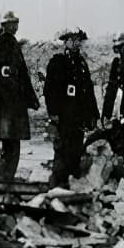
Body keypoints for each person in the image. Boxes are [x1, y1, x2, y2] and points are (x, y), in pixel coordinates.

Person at [0, 11, 40, 182]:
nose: (14, 28)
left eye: (15, 24)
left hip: (13, 107)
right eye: (10, 24)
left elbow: (22, 75)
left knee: (12, 145)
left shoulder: (14, 48)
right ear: (2, 26)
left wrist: (30, 99)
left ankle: (5, 181)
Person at [43, 28, 99, 186]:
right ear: (65, 42)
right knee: (62, 151)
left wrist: (93, 115)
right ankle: (57, 185)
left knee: (76, 150)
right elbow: (49, 90)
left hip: (78, 117)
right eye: (71, 40)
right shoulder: (57, 62)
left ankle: (71, 185)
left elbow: (89, 92)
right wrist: (53, 113)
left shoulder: (82, 64)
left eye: (78, 40)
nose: (75, 43)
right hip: (63, 116)